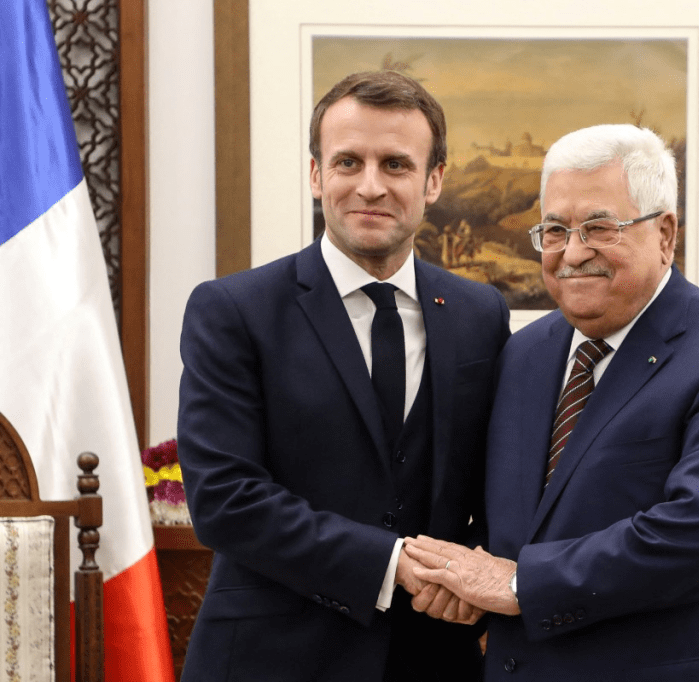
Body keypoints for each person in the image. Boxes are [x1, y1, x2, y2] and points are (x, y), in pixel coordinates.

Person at [405, 124, 699, 681]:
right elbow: (515, 526)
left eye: (599, 228)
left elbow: (696, 537)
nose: (573, 252)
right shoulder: (523, 353)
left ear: (665, 234)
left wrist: (515, 583)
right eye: (555, 230)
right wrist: (455, 575)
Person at [176, 70, 510, 681]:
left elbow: (498, 477)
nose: (370, 186)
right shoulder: (232, 311)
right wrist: (390, 563)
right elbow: (224, 499)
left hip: (435, 658)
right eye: (348, 162)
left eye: (396, 164)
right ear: (316, 174)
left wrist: (477, 572)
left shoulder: (480, 313)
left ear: (434, 180)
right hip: (271, 660)